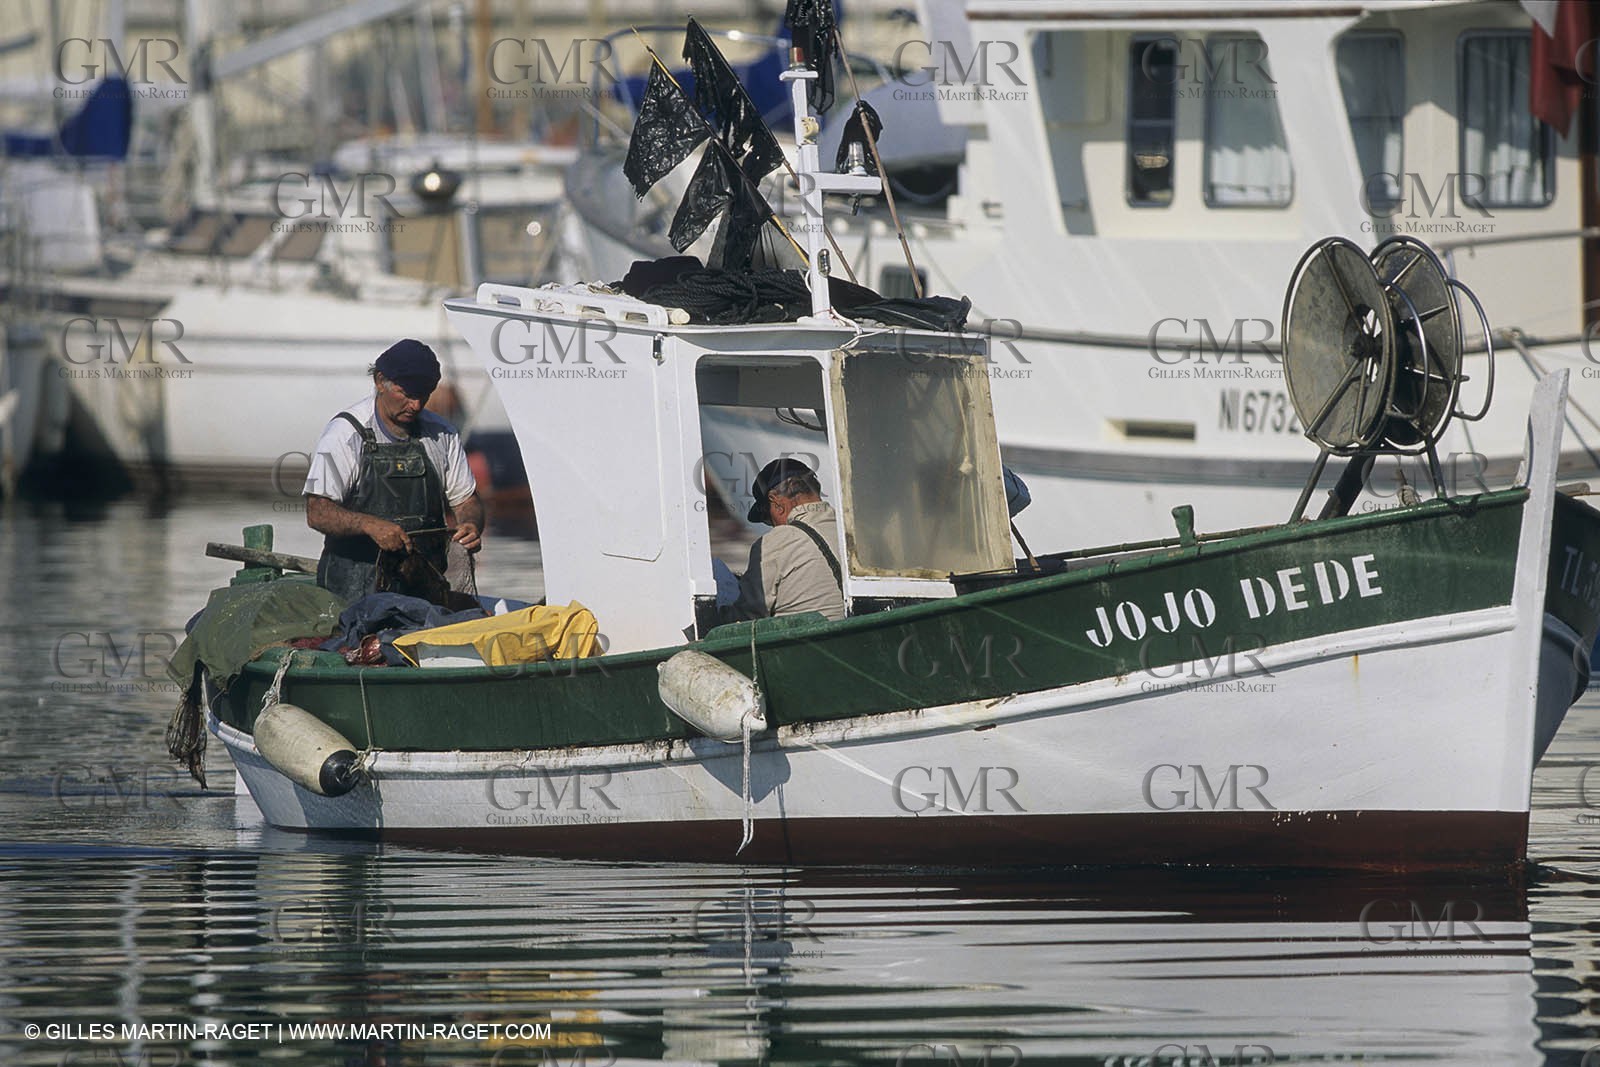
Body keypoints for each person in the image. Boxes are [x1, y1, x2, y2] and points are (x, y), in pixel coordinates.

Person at [303, 339, 484, 604]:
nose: (416, 405)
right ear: (380, 381)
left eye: (424, 395)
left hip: (424, 589)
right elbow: (317, 511)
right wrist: (369, 525)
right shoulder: (345, 433)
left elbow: (466, 500)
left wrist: (471, 524)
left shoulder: (442, 433)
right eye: (407, 394)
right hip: (352, 594)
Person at [720, 458, 846, 622]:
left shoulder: (774, 542)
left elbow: (745, 617)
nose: (772, 526)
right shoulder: (853, 533)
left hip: (808, 638)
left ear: (776, 501)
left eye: (767, 518)